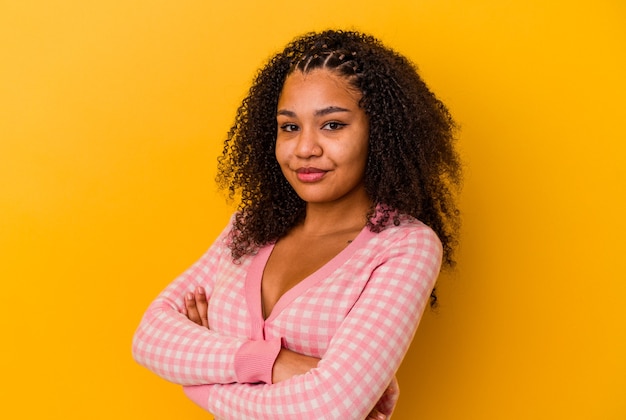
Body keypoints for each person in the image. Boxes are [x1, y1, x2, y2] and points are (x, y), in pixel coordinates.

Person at [132, 29, 461, 419]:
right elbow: (150, 338)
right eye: (290, 127)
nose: (305, 148)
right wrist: (271, 361)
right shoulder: (250, 229)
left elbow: (328, 409)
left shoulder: (404, 247)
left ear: (381, 133)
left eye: (333, 125)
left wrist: (200, 383)